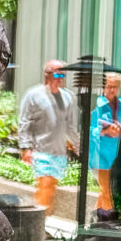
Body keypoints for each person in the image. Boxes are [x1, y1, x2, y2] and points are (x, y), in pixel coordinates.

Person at [18, 60, 80, 215]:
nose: (60, 78)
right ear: (47, 75)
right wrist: (26, 148)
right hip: (41, 150)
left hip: (59, 153)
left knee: (49, 189)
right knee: (45, 184)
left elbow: (71, 127)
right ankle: (40, 223)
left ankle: (40, 221)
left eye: (63, 75)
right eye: (58, 74)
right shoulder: (33, 95)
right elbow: (24, 122)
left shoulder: (69, 97)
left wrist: (80, 147)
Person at [89, 72, 121, 220]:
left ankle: (94, 220)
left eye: (115, 87)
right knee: (107, 190)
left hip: (118, 155)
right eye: (109, 86)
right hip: (100, 156)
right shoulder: (96, 106)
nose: (112, 90)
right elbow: (89, 130)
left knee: (106, 190)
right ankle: (109, 221)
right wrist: (105, 131)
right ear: (103, 87)